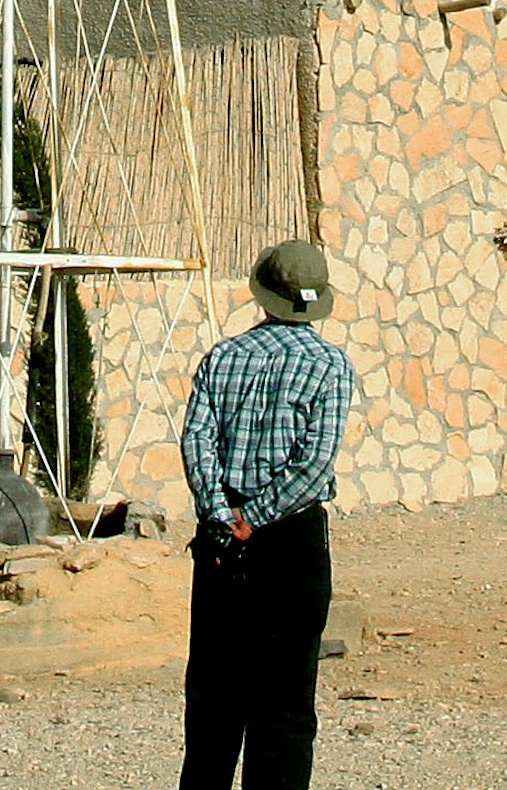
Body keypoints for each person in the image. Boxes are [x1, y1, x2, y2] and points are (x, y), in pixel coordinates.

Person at [176, 239, 355, 790]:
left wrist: (221, 512)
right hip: (290, 541)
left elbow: (196, 442)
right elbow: (315, 459)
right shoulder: (330, 365)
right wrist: (256, 516)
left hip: (221, 540)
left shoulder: (223, 358)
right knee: (285, 701)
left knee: (214, 702)